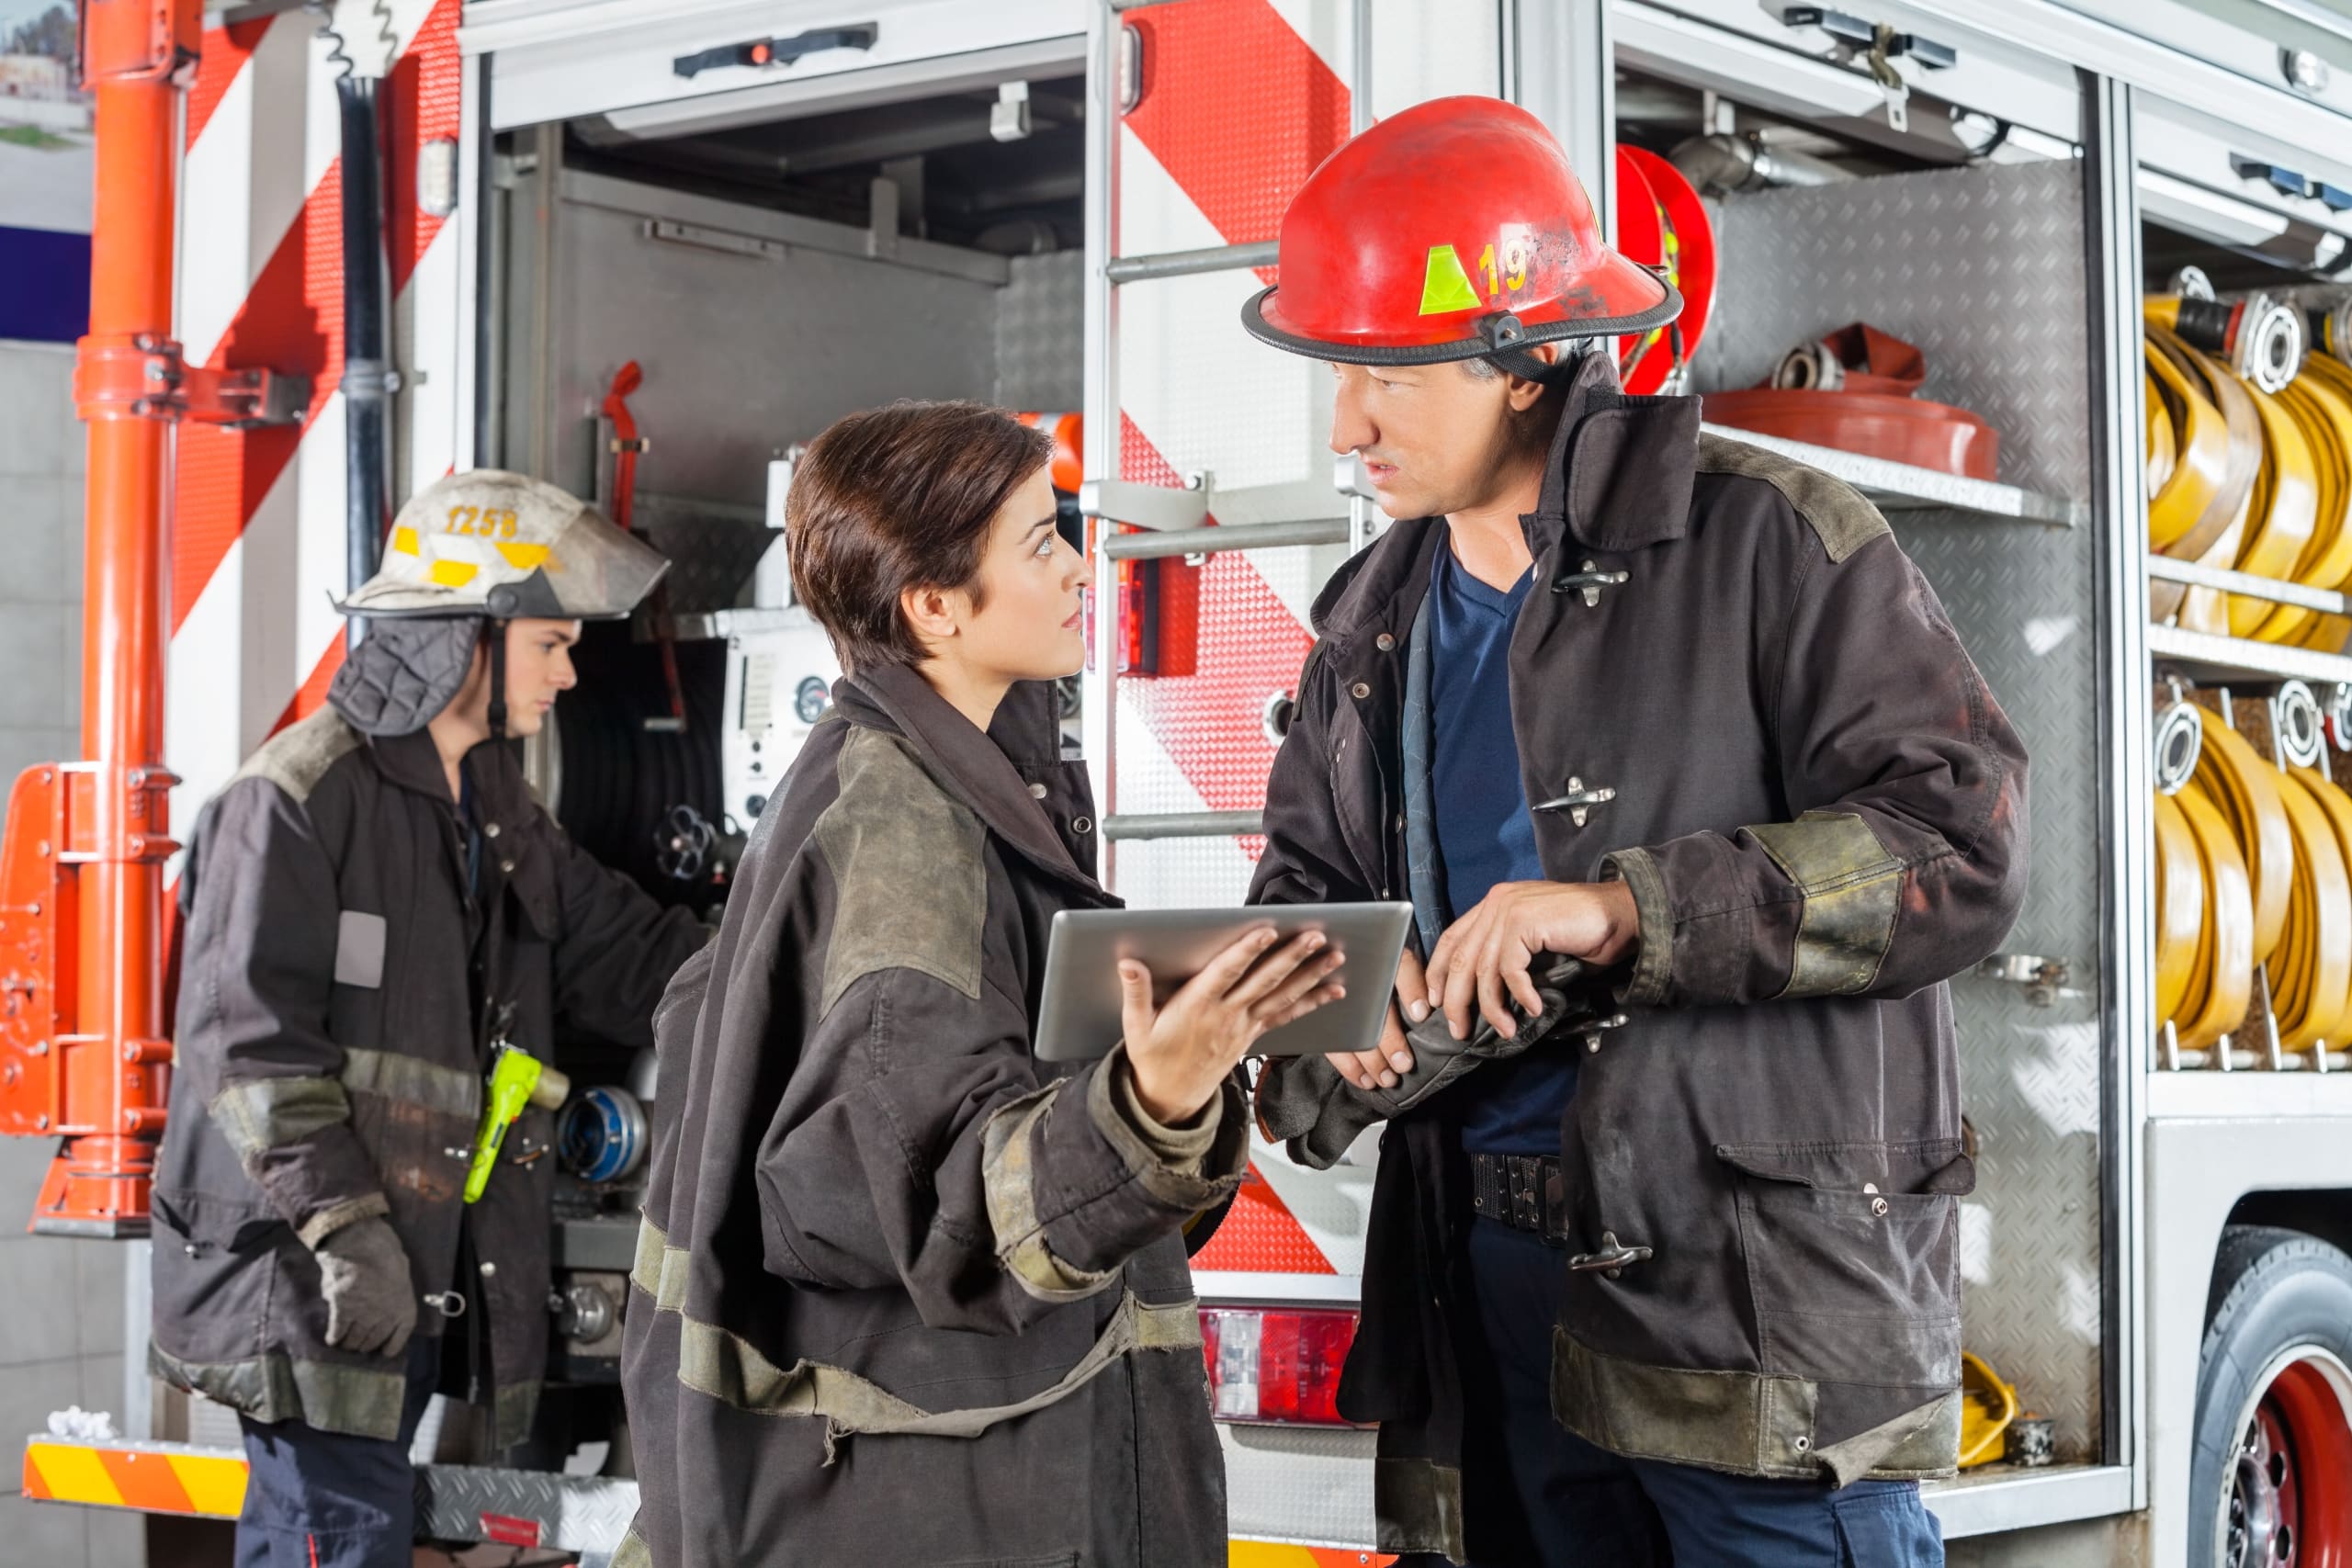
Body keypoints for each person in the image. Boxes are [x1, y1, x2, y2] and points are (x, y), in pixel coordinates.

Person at [1247, 97, 2030, 1567]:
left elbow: (1958, 846)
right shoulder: (1367, 615)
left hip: (1752, 1306)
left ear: (1535, 355)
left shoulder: (1775, 541)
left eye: (1389, 376)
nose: (1347, 425)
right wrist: (1324, 1009)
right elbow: (1305, 889)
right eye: (1338, 374)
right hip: (1475, 1298)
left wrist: (1625, 909)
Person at [617, 400, 1344, 1568]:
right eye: (1039, 543)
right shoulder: (905, 837)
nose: (1075, 569)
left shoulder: (949, 781)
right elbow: (964, 1212)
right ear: (936, 606)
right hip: (936, 1505)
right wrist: (1150, 1100)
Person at [150, 470, 712, 1568]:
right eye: (548, 643)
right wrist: (346, 1231)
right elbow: (249, 1047)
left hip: (415, 1273)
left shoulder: (492, 804)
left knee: (397, 1545)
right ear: (468, 637)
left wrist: (792, 961)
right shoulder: (294, 801)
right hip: (310, 1281)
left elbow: (625, 952)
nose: (569, 669)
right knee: (340, 1543)